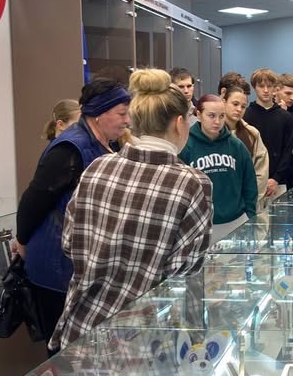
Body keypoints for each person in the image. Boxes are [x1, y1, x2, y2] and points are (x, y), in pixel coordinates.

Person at [49, 69, 212, 352]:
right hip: (144, 344)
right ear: (179, 123)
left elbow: (69, 242)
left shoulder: (98, 166)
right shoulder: (192, 183)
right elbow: (184, 272)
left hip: (81, 331)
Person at [14, 79, 131, 345]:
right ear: (98, 114)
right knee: (64, 350)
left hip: (84, 266)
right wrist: (22, 240)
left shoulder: (106, 145)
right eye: (121, 113)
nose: (127, 121)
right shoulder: (70, 149)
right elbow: (34, 200)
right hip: (58, 268)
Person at [180, 93, 258, 242]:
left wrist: (250, 215)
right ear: (198, 115)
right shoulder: (186, 146)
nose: (217, 121)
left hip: (236, 220)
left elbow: (250, 183)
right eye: (211, 116)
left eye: (221, 116)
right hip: (200, 224)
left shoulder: (236, 146)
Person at [244, 69, 293, 203]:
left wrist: (276, 178)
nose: (266, 90)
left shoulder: (286, 117)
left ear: (275, 88)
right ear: (254, 87)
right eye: (261, 86)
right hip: (252, 182)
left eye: (269, 86)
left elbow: (287, 151)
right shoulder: (246, 116)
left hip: (278, 183)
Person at [222, 82, 269, 203]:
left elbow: (261, 171)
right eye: (235, 104)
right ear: (224, 102)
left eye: (243, 106)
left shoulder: (252, 134)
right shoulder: (212, 133)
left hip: (245, 203)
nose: (239, 109)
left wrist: (250, 199)